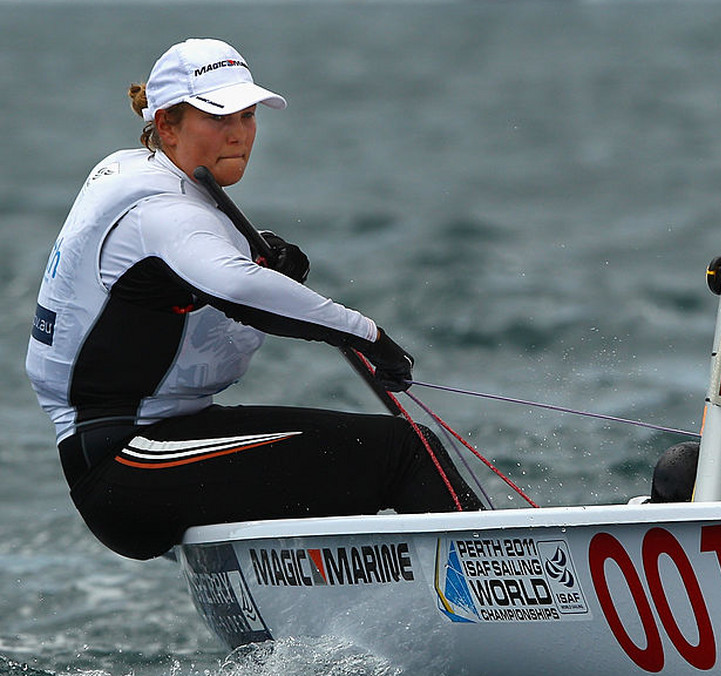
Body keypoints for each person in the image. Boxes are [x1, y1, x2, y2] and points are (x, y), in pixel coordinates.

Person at [25, 38, 482, 561]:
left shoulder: (129, 170)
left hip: (145, 449)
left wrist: (254, 251)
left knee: (353, 452)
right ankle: (500, 587)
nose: (240, 135)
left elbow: (191, 273)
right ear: (167, 125)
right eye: (219, 118)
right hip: (130, 463)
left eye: (247, 116)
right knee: (404, 452)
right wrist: (368, 334)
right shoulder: (161, 208)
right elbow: (237, 288)